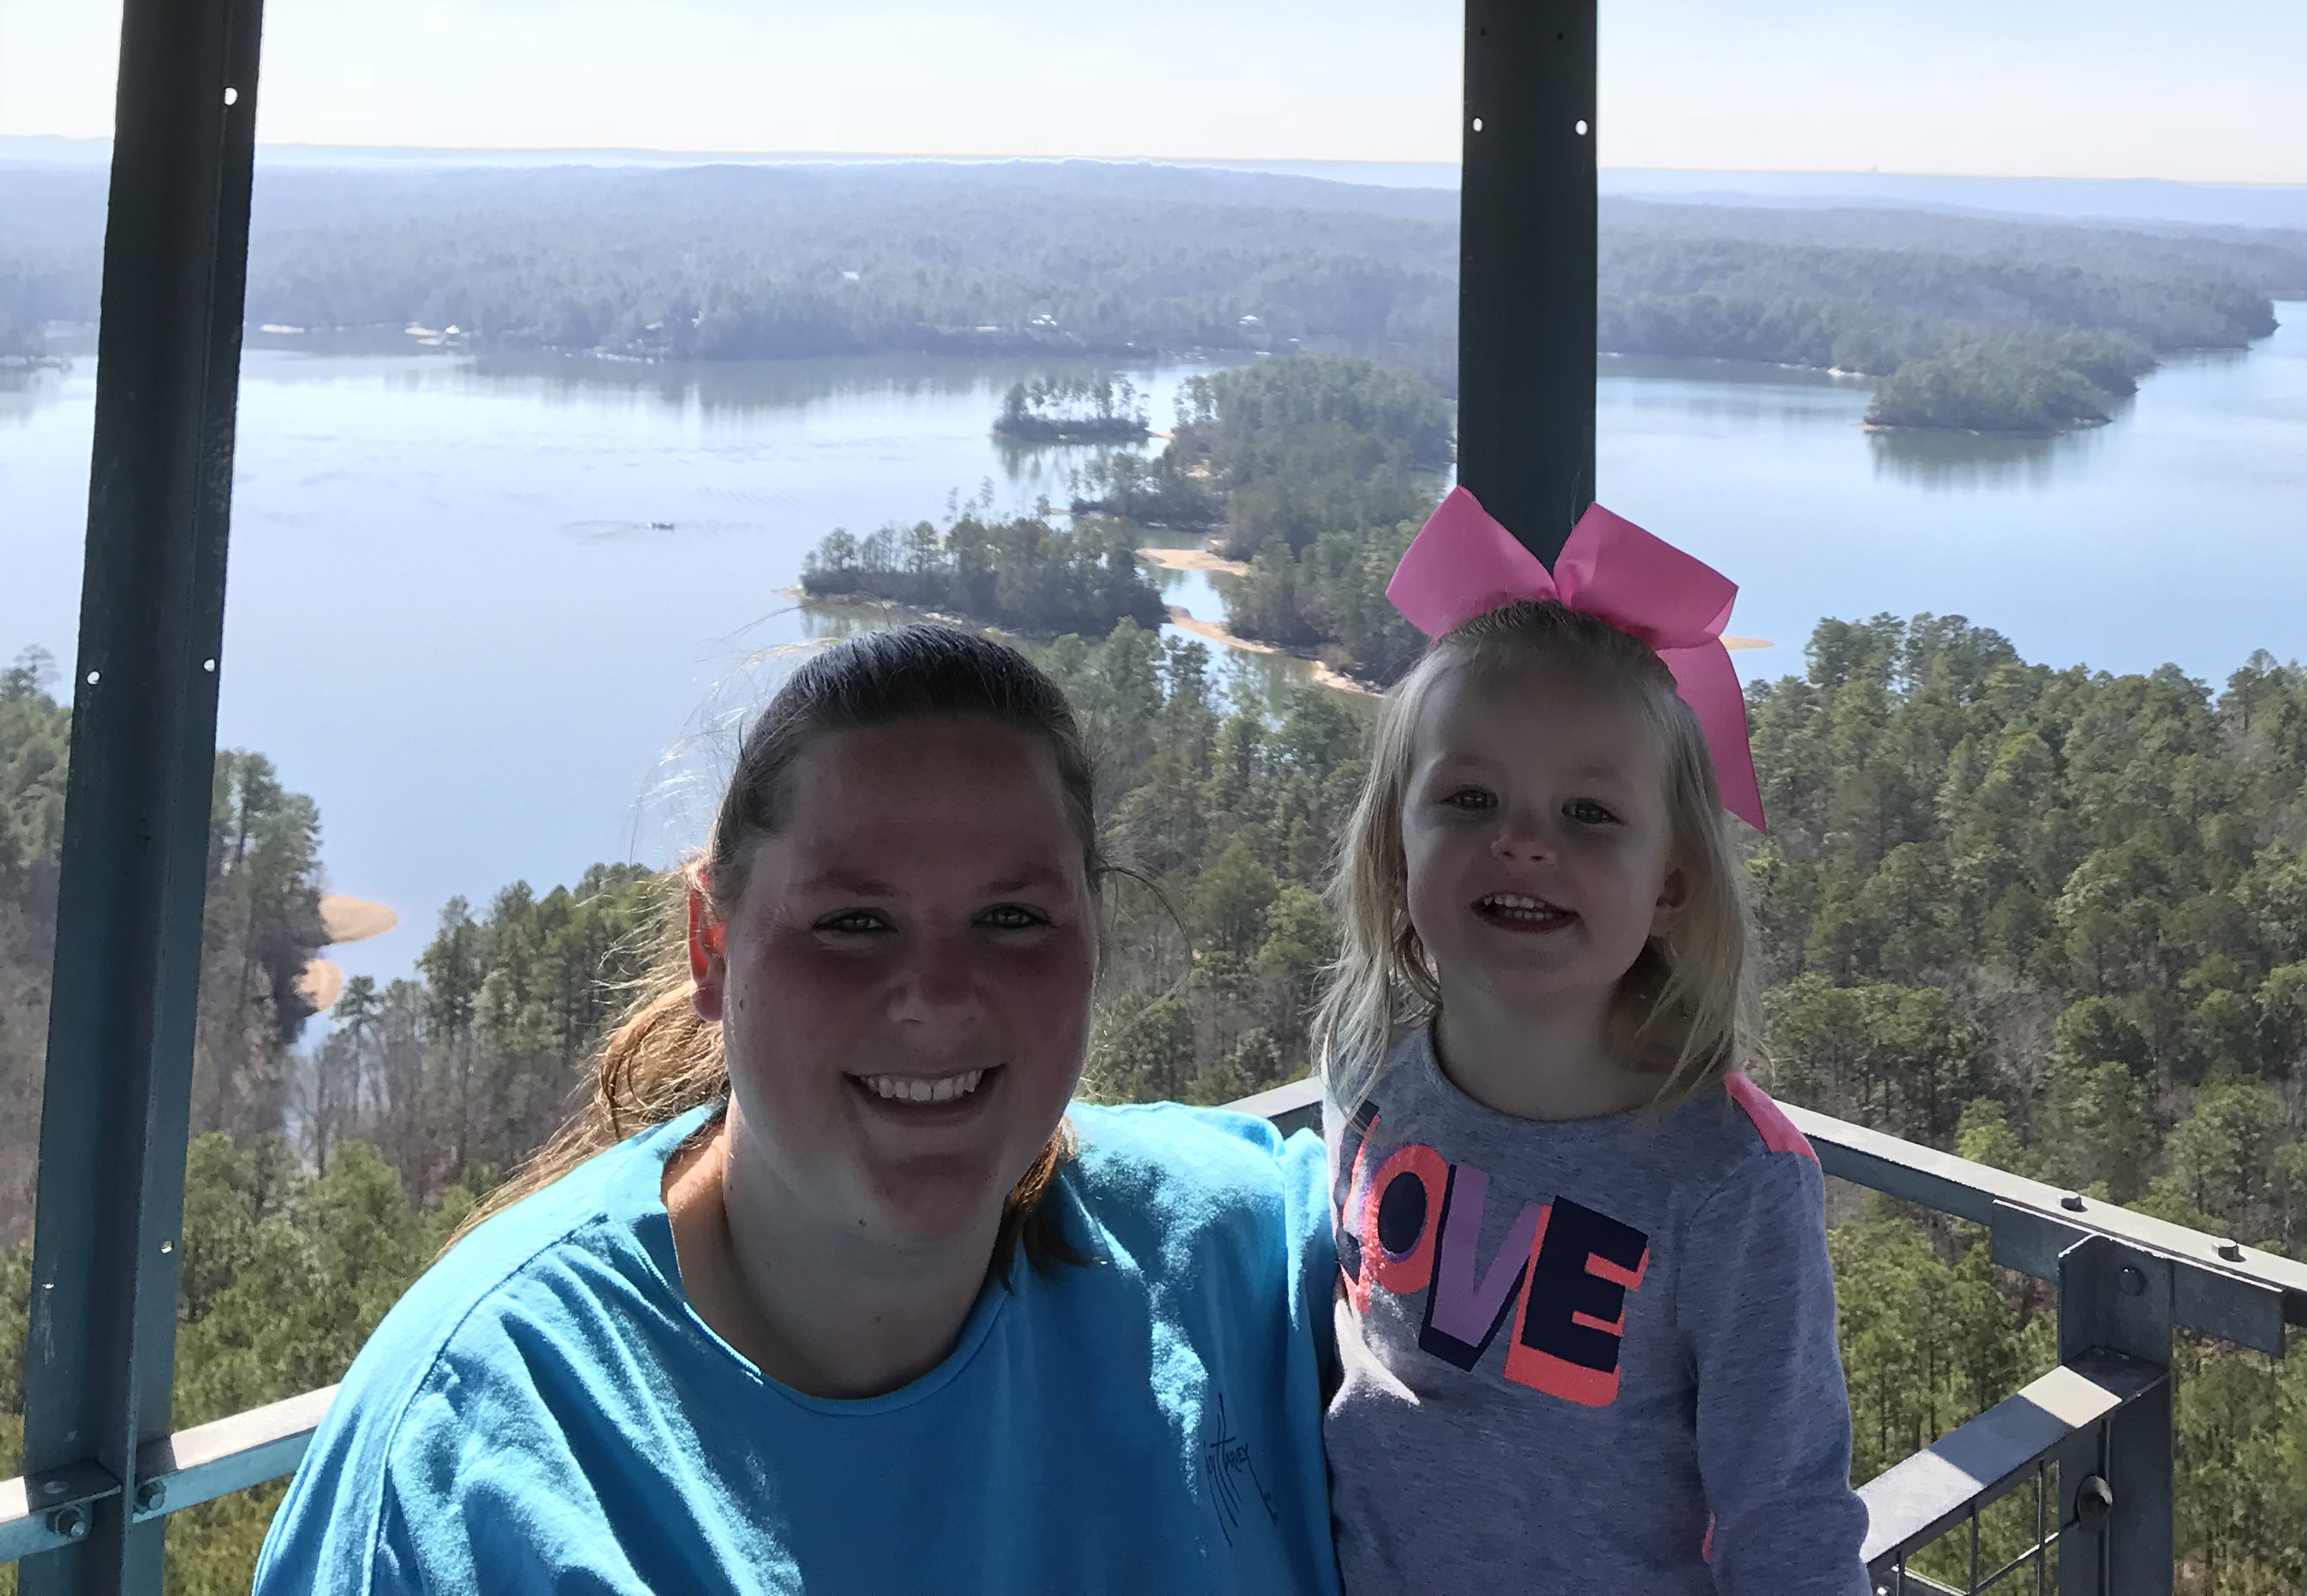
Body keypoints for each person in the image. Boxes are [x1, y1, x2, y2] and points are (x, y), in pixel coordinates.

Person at [256, 624, 1341, 1595]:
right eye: (854, 923)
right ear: (711, 950)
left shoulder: (1239, 1256)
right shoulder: (479, 1444)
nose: (937, 996)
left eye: (1012, 917)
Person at [1314, 488, 1870, 1595]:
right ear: (1394, 851)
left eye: (1589, 814)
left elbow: (1789, 1518)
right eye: (1469, 798)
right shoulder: (1369, 1068)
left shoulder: (1729, 1185)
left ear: (1671, 886)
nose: (1523, 844)